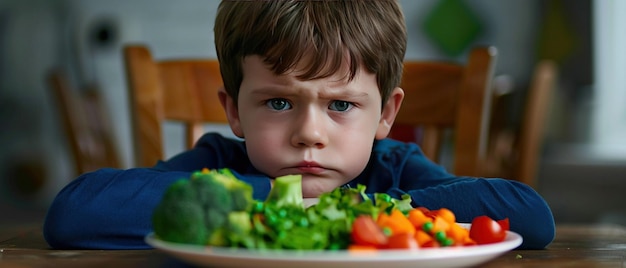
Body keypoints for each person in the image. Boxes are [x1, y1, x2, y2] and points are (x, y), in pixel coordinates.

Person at [43, 0, 555, 250]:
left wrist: (352, 210)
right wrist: (270, 198)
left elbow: (531, 216)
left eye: (342, 106)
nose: (309, 132)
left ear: (386, 115)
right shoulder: (220, 165)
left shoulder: (393, 170)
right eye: (280, 104)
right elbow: (73, 214)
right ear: (235, 111)